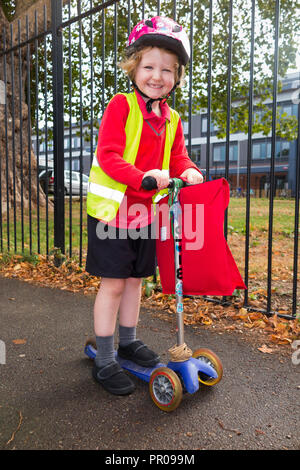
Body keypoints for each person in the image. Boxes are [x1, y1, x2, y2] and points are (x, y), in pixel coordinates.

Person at [85, 16, 203, 396]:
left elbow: (178, 159)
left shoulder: (172, 119)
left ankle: (129, 340)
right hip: (114, 212)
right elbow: (108, 156)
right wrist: (143, 178)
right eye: (149, 66)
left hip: (145, 215)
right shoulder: (122, 106)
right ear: (134, 66)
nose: (157, 76)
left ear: (176, 76)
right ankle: (105, 358)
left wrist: (189, 170)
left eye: (167, 70)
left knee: (136, 280)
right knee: (115, 284)